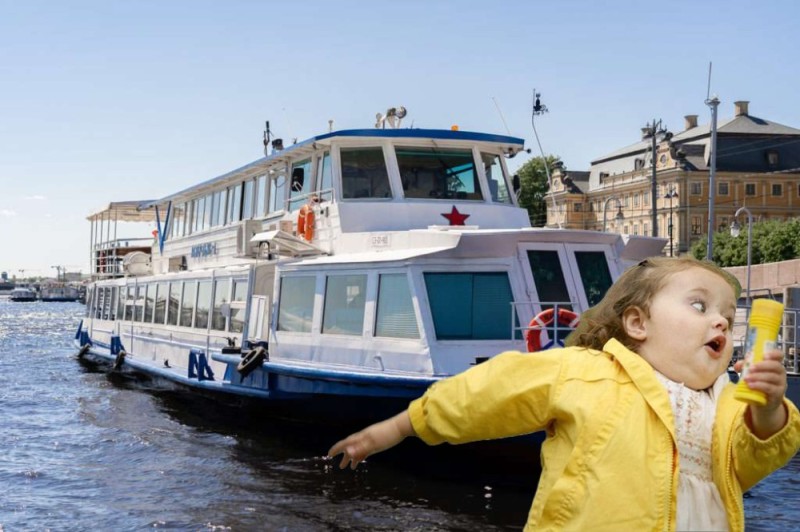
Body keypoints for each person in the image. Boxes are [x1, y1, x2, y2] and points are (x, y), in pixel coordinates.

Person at [328, 257, 800, 531]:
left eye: (727, 317)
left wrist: (770, 410)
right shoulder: (585, 372)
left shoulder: (730, 401)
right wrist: (394, 428)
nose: (720, 320)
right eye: (699, 305)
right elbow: (487, 394)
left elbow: (747, 463)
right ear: (637, 323)